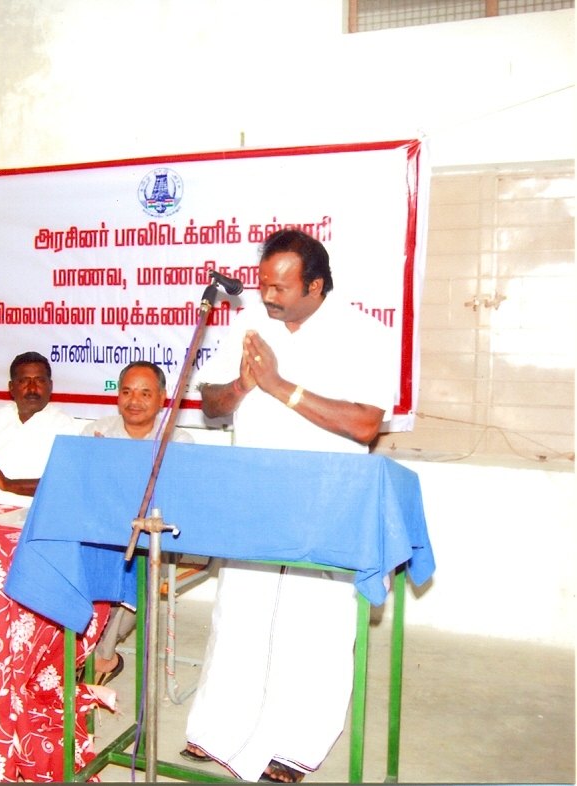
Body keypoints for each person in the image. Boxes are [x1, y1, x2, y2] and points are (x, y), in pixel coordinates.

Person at [181, 229, 396, 783]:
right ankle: (218, 729)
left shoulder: (364, 334)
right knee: (239, 610)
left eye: (280, 287)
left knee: (314, 623)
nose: (267, 296)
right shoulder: (249, 326)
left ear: (315, 286)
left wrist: (280, 386)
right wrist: (243, 386)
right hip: (254, 489)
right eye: (263, 284)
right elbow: (211, 403)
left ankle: (296, 746)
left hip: (325, 495)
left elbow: (366, 424)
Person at [81, 360, 193, 686]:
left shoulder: (178, 441)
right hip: (101, 532)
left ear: (162, 398)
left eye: (145, 393)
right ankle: (73, 651)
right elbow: (81, 488)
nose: (134, 401)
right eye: (127, 392)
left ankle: (101, 656)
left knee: (133, 566)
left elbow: (179, 504)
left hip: (154, 537)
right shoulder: (96, 433)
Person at [0, 351, 80, 508]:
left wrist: (9, 485)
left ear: (50, 386)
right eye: (24, 381)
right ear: (11, 387)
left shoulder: (66, 427)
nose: (32, 388)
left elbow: (65, 483)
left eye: (40, 381)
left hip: (29, 512)